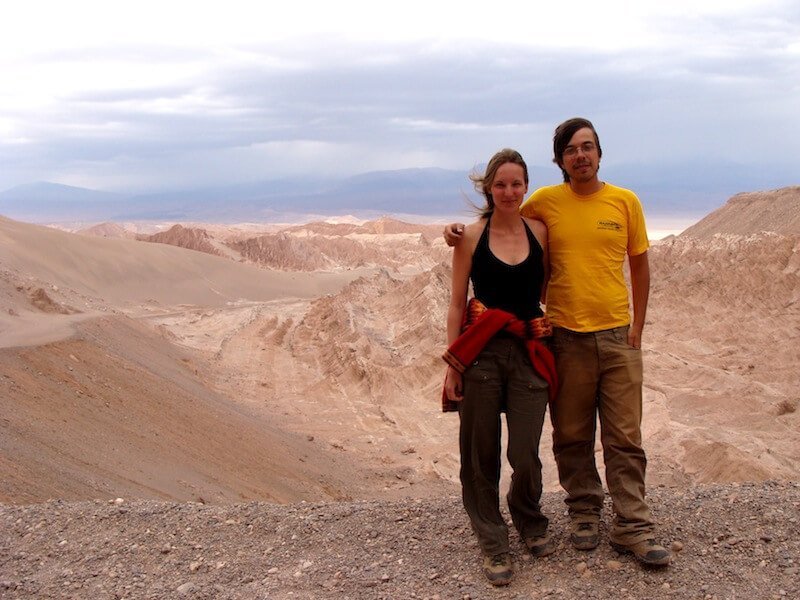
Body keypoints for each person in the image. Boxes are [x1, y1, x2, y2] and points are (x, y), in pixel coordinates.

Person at [444, 118, 671, 567]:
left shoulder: (604, 207)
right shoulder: (516, 217)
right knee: (542, 440)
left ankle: (618, 524)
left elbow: (629, 269)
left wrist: (637, 328)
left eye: (588, 147)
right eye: (571, 150)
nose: (580, 155)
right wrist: (452, 232)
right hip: (526, 345)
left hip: (578, 341)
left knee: (593, 441)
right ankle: (549, 523)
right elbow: (468, 284)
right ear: (560, 160)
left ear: (600, 153)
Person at [442, 148, 558, 587]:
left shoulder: (541, 232)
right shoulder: (470, 236)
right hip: (482, 354)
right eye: (501, 184)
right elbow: (456, 303)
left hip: (529, 349)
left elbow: (545, 287)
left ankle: (528, 517)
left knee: (525, 452)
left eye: (517, 183)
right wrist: (453, 363)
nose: (509, 191)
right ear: (489, 188)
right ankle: (492, 539)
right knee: (480, 452)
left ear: (527, 187)